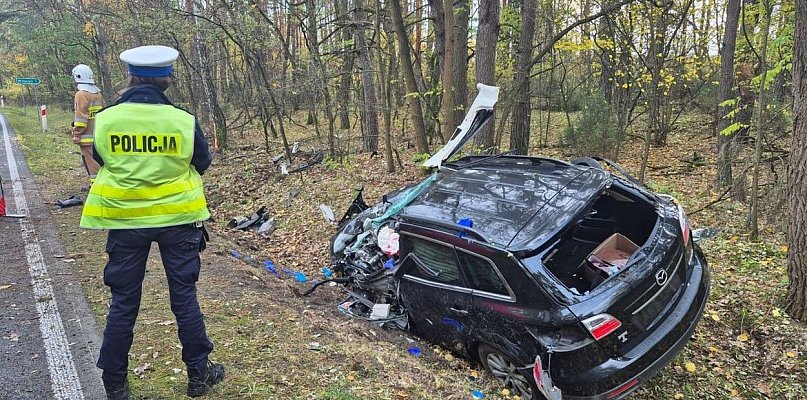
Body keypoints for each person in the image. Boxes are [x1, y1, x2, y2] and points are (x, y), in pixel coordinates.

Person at [79, 45, 223, 400]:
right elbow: (201, 161)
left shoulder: (108, 118)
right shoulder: (182, 120)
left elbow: (100, 158)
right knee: (184, 296)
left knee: (124, 300)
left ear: (130, 76)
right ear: (167, 80)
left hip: (127, 221)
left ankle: (115, 383)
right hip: (179, 220)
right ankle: (199, 375)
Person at [71, 64, 105, 186]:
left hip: (86, 137)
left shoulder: (81, 94)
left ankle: (95, 186)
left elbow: (81, 117)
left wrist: (76, 133)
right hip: (99, 136)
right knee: (99, 161)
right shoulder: (98, 94)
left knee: (91, 163)